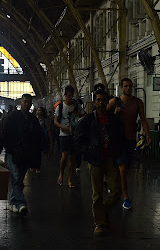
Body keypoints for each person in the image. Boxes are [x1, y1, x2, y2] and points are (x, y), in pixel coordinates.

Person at [74, 89, 126, 236]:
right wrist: (88, 151)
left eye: (103, 100)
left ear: (107, 101)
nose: (101, 103)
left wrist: (118, 152)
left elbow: (121, 136)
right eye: (98, 100)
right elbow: (78, 139)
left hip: (110, 158)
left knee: (115, 190)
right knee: (97, 193)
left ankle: (102, 214)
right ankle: (100, 223)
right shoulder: (88, 120)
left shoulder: (114, 119)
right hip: (95, 159)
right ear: (94, 101)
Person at [0, 94, 48, 215]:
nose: (27, 104)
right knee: (17, 177)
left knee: (18, 179)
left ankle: (13, 203)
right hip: (12, 153)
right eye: (25, 102)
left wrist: (45, 149)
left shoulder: (33, 120)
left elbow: (39, 136)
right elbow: (4, 133)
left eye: (29, 102)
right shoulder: (12, 117)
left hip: (26, 155)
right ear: (20, 103)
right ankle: (22, 203)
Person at [107, 78, 152, 210]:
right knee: (122, 167)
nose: (128, 88)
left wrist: (147, 134)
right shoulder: (115, 102)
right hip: (118, 140)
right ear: (121, 87)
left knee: (125, 169)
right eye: (126, 86)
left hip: (131, 140)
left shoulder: (138, 103)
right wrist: (114, 114)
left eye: (130, 86)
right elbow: (103, 114)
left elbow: (143, 119)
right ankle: (125, 197)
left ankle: (115, 186)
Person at [54, 85, 85, 188]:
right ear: (65, 95)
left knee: (72, 159)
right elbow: (55, 121)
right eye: (68, 95)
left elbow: (83, 115)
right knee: (64, 157)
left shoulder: (76, 105)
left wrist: (75, 111)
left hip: (74, 135)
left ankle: (70, 179)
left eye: (72, 95)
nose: (70, 97)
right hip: (63, 135)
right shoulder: (60, 107)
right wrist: (63, 127)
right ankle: (61, 174)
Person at [33, 106, 53, 173]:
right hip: (35, 138)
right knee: (35, 152)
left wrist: (51, 140)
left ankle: (38, 167)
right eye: (38, 110)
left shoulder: (45, 120)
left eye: (40, 110)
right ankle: (35, 166)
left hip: (42, 138)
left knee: (40, 153)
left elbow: (48, 130)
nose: (38, 112)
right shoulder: (34, 119)